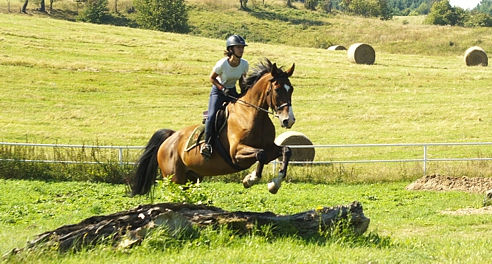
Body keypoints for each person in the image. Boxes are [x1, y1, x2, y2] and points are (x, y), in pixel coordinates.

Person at [201, 34, 249, 158]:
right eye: (238, 47)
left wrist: (244, 92)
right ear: (230, 49)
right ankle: (207, 144)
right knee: (212, 117)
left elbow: (242, 81)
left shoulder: (244, 64)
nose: (241, 50)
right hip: (218, 91)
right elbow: (211, 78)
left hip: (232, 91)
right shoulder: (222, 63)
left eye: (242, 47)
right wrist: (222, 88)